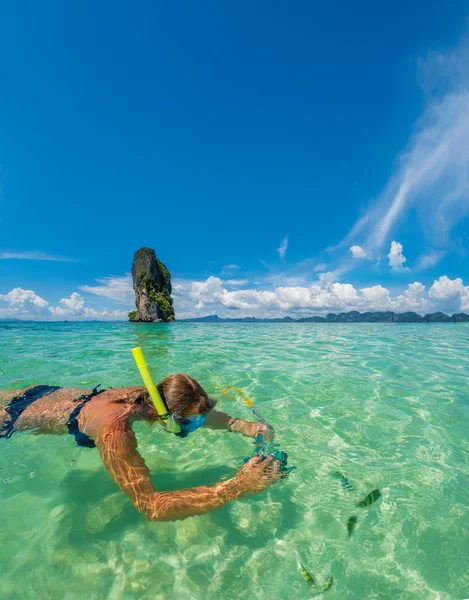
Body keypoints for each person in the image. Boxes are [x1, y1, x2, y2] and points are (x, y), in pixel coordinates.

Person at [0, 375, 283, 521]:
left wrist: (238, 424)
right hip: (15, 417)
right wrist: (238, 486)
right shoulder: (116, 431)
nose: (195, 427)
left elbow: (190, 410)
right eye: (189, 424)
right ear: (166, 416)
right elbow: (151, 507)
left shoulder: (147, 396)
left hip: (46, 393)